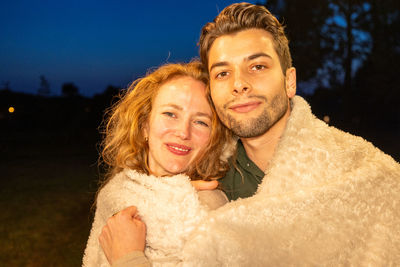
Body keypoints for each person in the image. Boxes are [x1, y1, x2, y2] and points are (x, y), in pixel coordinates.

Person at [99, 2, 400, 266]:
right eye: (222, 73)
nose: (239, 84)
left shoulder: (370, 179)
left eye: (257, 66)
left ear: (289, 81)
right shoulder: (198, 186)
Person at [82, 61, 235, 267]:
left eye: (201, 122)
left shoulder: (212, 211)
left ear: (214, 140)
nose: (183, 132)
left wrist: (127, 259)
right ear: (144, 125)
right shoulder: (115, 193)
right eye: (170, 114)